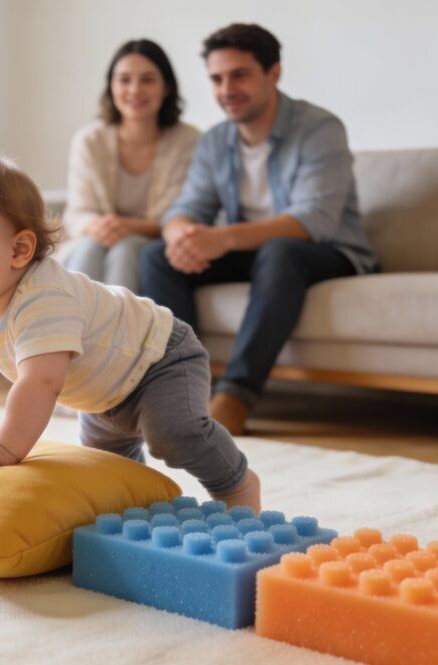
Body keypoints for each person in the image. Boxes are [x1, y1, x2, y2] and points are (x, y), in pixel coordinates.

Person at [0, 154, 261, 510]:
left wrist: (4, 446)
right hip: (101, 390)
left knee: (173, 436)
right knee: (108, 472)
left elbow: (41, 383)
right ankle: (139, 504)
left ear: (18, 250)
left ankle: (235, 482)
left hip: (158, 358)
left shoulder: (44, 298)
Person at [138, 23, 377, 436]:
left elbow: (313, 220)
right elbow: (186, 208)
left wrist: (221, 238)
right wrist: (181, 235)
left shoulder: (319, 128)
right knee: (156, 256)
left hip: (327, 251)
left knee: (280, 250)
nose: (226, 88)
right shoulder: (215, 142)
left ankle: (235, 396)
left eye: (239, 75)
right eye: (217, 78)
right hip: (257, 251)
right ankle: (181, 391)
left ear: (273, 73)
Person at [62, 39, 201, 292]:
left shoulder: (189, 141)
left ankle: (120, 330)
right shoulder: (90, 140)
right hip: (97, 240)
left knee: (126, 248)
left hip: (152, 243)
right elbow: (79, 212)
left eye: (147, 80)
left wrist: (127, 227)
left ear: (166, 87)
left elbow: (181, 214)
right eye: (124, 80)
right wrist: (99, 226)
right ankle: (64, 326)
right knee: (90, 246)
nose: (135, 90)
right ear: (111, 86)